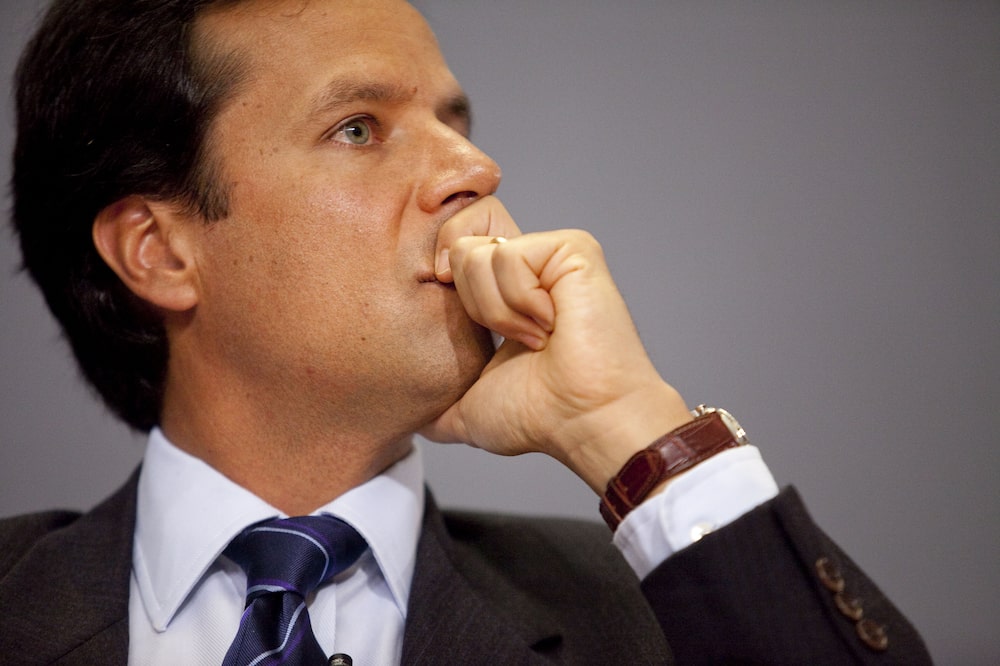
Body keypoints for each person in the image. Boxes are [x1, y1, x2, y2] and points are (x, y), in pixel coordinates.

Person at [0, 0, 932, 664]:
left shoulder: (657, 615)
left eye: (454, 123)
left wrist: (623, 424)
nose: (476, 169)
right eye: (360, 129)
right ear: (158, 251)